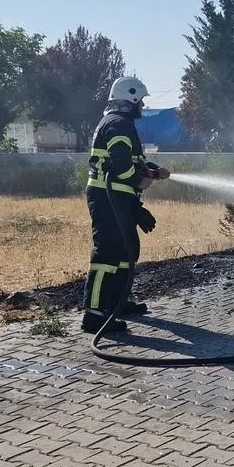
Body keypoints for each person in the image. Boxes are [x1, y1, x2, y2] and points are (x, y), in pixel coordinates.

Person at [82, 76, 170, 333]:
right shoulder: (119, 124)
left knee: (126, 251)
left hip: (118, 198)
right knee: (107, 254)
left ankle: (117, 303)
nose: (142, 106)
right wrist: (149, 177)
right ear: (130, 100)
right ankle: (94, 315)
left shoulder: (119, 123)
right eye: (140, 101)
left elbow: (128, 160)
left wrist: (151, 169)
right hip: (107, 197)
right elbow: (121, 168)